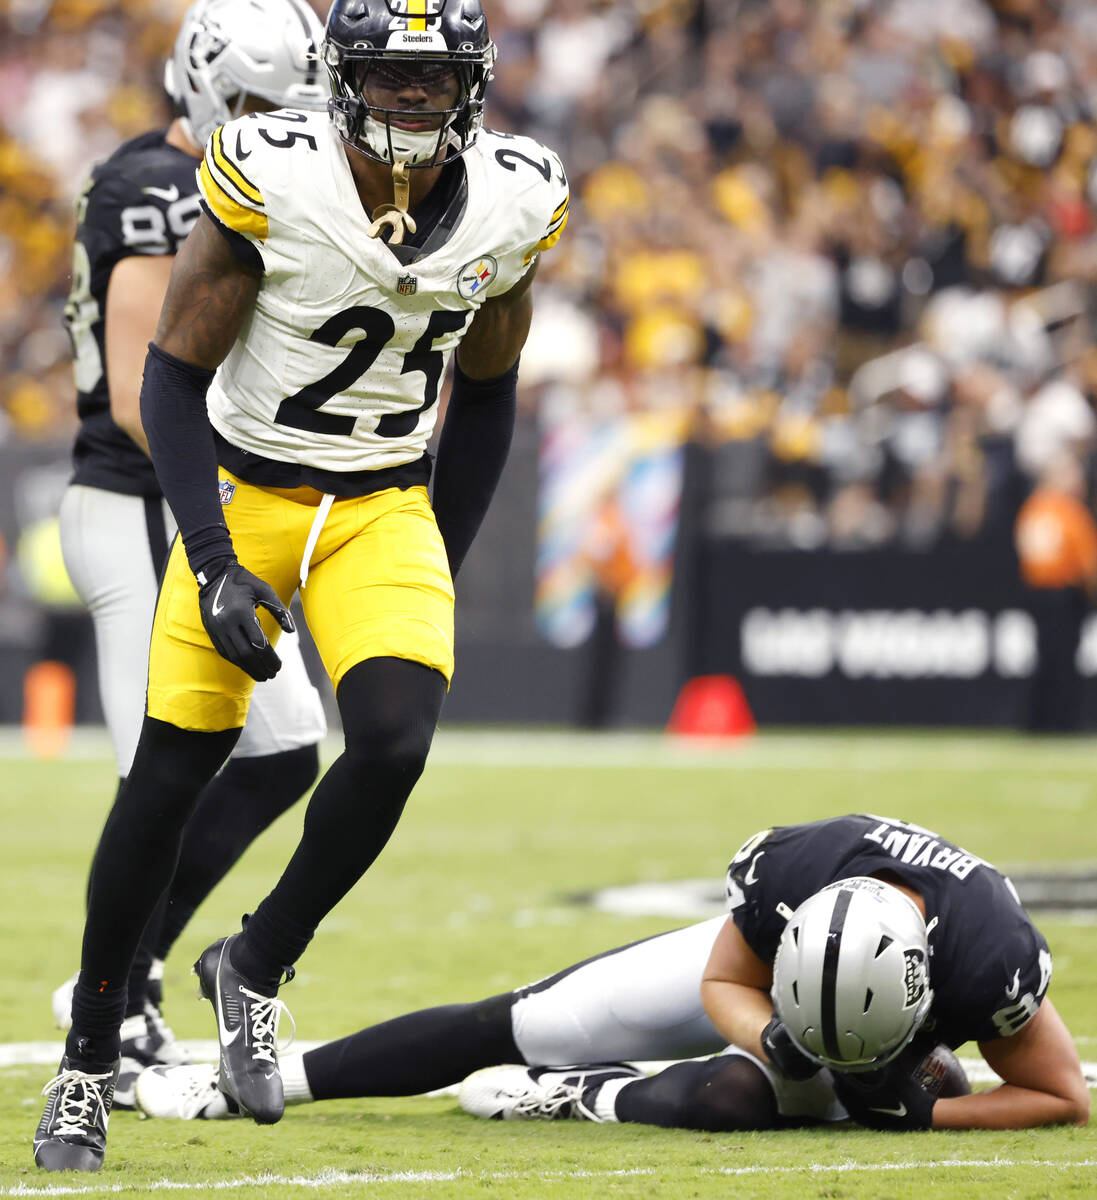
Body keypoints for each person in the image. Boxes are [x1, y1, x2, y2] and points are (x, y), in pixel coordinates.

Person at [34, 0, 568, 1173]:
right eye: (391, 77)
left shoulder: (514, 198)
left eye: (435, 81)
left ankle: (257, 963)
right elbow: (170, 382)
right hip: (248, 490)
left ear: (475, 87)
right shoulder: (273, 178)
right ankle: (82, 1064)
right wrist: (216, 559)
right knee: (168, 776)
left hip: (378, 500)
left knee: (389, 741)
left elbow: (485, 390)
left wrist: (440, 552)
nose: (413, 101)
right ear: (343, 82)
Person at [52, 0, 331, 1111]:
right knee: (156, 780)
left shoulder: (281, 175)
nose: (274, 124)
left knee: (284, 748)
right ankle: (104, 1010)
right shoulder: (148, 189)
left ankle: (137, 964)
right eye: (258, 105)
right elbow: (133, 398)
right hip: (138, 502)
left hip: (213, 504)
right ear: (208, 87)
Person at [134, 815, 1088, 1134]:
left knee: (727, 1101)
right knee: (524, 1021)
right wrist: (771, 1034)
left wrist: (922, 1111)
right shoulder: (798, 874)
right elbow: (723, 982)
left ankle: (576, 1099)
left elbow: (1059, 1093)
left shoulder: (989, 953)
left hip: (881, 1044)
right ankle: (249, 1084)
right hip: (769, 1005)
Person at [1013, 450, 1097, 732]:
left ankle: (1039, 722)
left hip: (1037, 595)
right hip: (1064, 595)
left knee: (1045, 659)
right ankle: (1062, 723)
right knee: (1063, 662)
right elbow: (1088, 563)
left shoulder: (1032, 508)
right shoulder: (1068, 510)